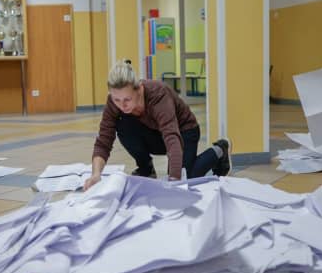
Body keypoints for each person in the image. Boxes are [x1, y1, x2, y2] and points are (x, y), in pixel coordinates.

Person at [84, 60, 231, 190]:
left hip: (184, 131)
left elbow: (172, 136)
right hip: (155, 134)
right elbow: (104, 140)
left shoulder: (158, 94)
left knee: (186, 178)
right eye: (117, 99)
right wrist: (96, 175)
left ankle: (220, 150)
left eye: (127, 99)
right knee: (123, 125)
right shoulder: (114, 102)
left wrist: (174, 180)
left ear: (139, 89)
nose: (122, 105)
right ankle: (146, 168)